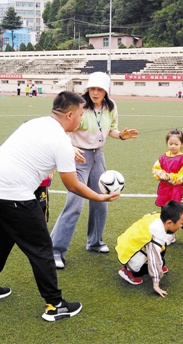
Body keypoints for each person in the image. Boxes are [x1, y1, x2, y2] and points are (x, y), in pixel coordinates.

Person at [0, 91, 119, 322]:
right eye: (80, 114)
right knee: (41, 248)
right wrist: (99, 198)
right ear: (70, 114)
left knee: (3, 239)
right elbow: (73, 185)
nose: (81, 119)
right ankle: (56, 305)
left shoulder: (36, 123)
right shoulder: (61, 141)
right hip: (14, 195)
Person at [50, 72, 139, 269]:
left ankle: (95, 242)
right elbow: (60, 129)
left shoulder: (111, 106)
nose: (95, 93)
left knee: (102, 201)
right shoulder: (80, 106)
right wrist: (70, 148)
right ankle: (55, 250)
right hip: (78, 156)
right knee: (74, 204)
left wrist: (121, 135)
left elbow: (111, 130)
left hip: (98, 155)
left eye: (100, 89)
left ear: (106, 91)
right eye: (92, 89)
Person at [116, 201, 183, 297]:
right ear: (169, 223)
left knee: (161, 247)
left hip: (127, 246)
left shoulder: (159, 217)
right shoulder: (156, 232)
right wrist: (156, 283)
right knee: (156, 260)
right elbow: (154, 259)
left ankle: (138, 264)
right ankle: (129, 271)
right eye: (181, 223)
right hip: (129, 254)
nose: (181, 226)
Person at [153, 129, 183, 245]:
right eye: (170, 144)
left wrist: (169, 176)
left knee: (180, 214)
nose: (173, 146)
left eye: (176, 144)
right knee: (166, 213)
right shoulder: (162, 157)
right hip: (165, 191)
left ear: (182, 144)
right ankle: (170, 234)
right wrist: (160, 174)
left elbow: (182, 176)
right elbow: (156, 169)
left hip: (178, 192)